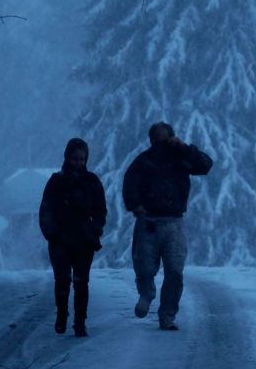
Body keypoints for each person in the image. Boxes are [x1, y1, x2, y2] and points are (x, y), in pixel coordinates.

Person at [122, 122, 213, 331]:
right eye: (157, 140)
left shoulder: (181, 158)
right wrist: (135, 205)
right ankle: (147, 293)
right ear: (151, 140)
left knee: (174, 272)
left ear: (172, 138)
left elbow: (206, 165)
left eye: (165, 139)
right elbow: (130, 183)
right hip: (148, 222)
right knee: (144, 268)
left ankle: (167, 316)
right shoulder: (144, 161)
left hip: (174, 222)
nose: (160, 144)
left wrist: (184, 147)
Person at [38, 138, 106, 337]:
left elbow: (101, 210)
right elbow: (46, 210)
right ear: (68, 158)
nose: (79, 163)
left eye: (82, 159)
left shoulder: (92, 182)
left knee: (81, 282)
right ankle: (62, 314)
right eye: (75, 158)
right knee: (62, 280)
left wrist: (95, 231)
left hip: (84, 240)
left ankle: (79, 321)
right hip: (60, 239)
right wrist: (50, 234)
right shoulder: (56, 181)